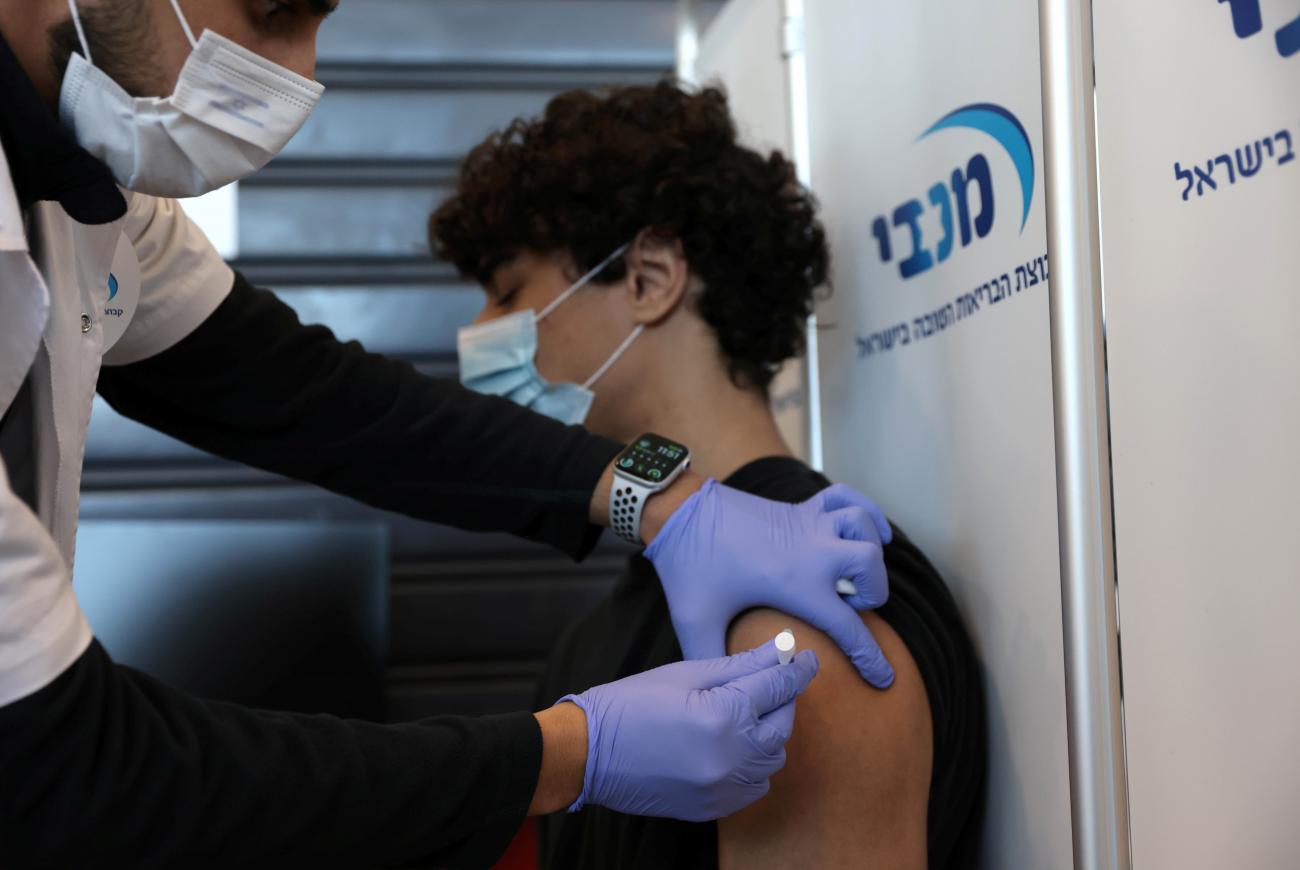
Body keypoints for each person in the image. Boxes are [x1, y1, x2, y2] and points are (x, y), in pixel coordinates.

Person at [0, 2, 901, 866]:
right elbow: (78, 768)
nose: (303, 73)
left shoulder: (90, 204)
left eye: (506, 290)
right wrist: (567, 755)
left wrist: (664, 503)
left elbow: (312, 396)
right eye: (274, 7)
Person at [430, 81, 988, 869]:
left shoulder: (803, 613)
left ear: (650, 278)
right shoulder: (618, 618)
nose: (478, 334)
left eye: (506, 293)